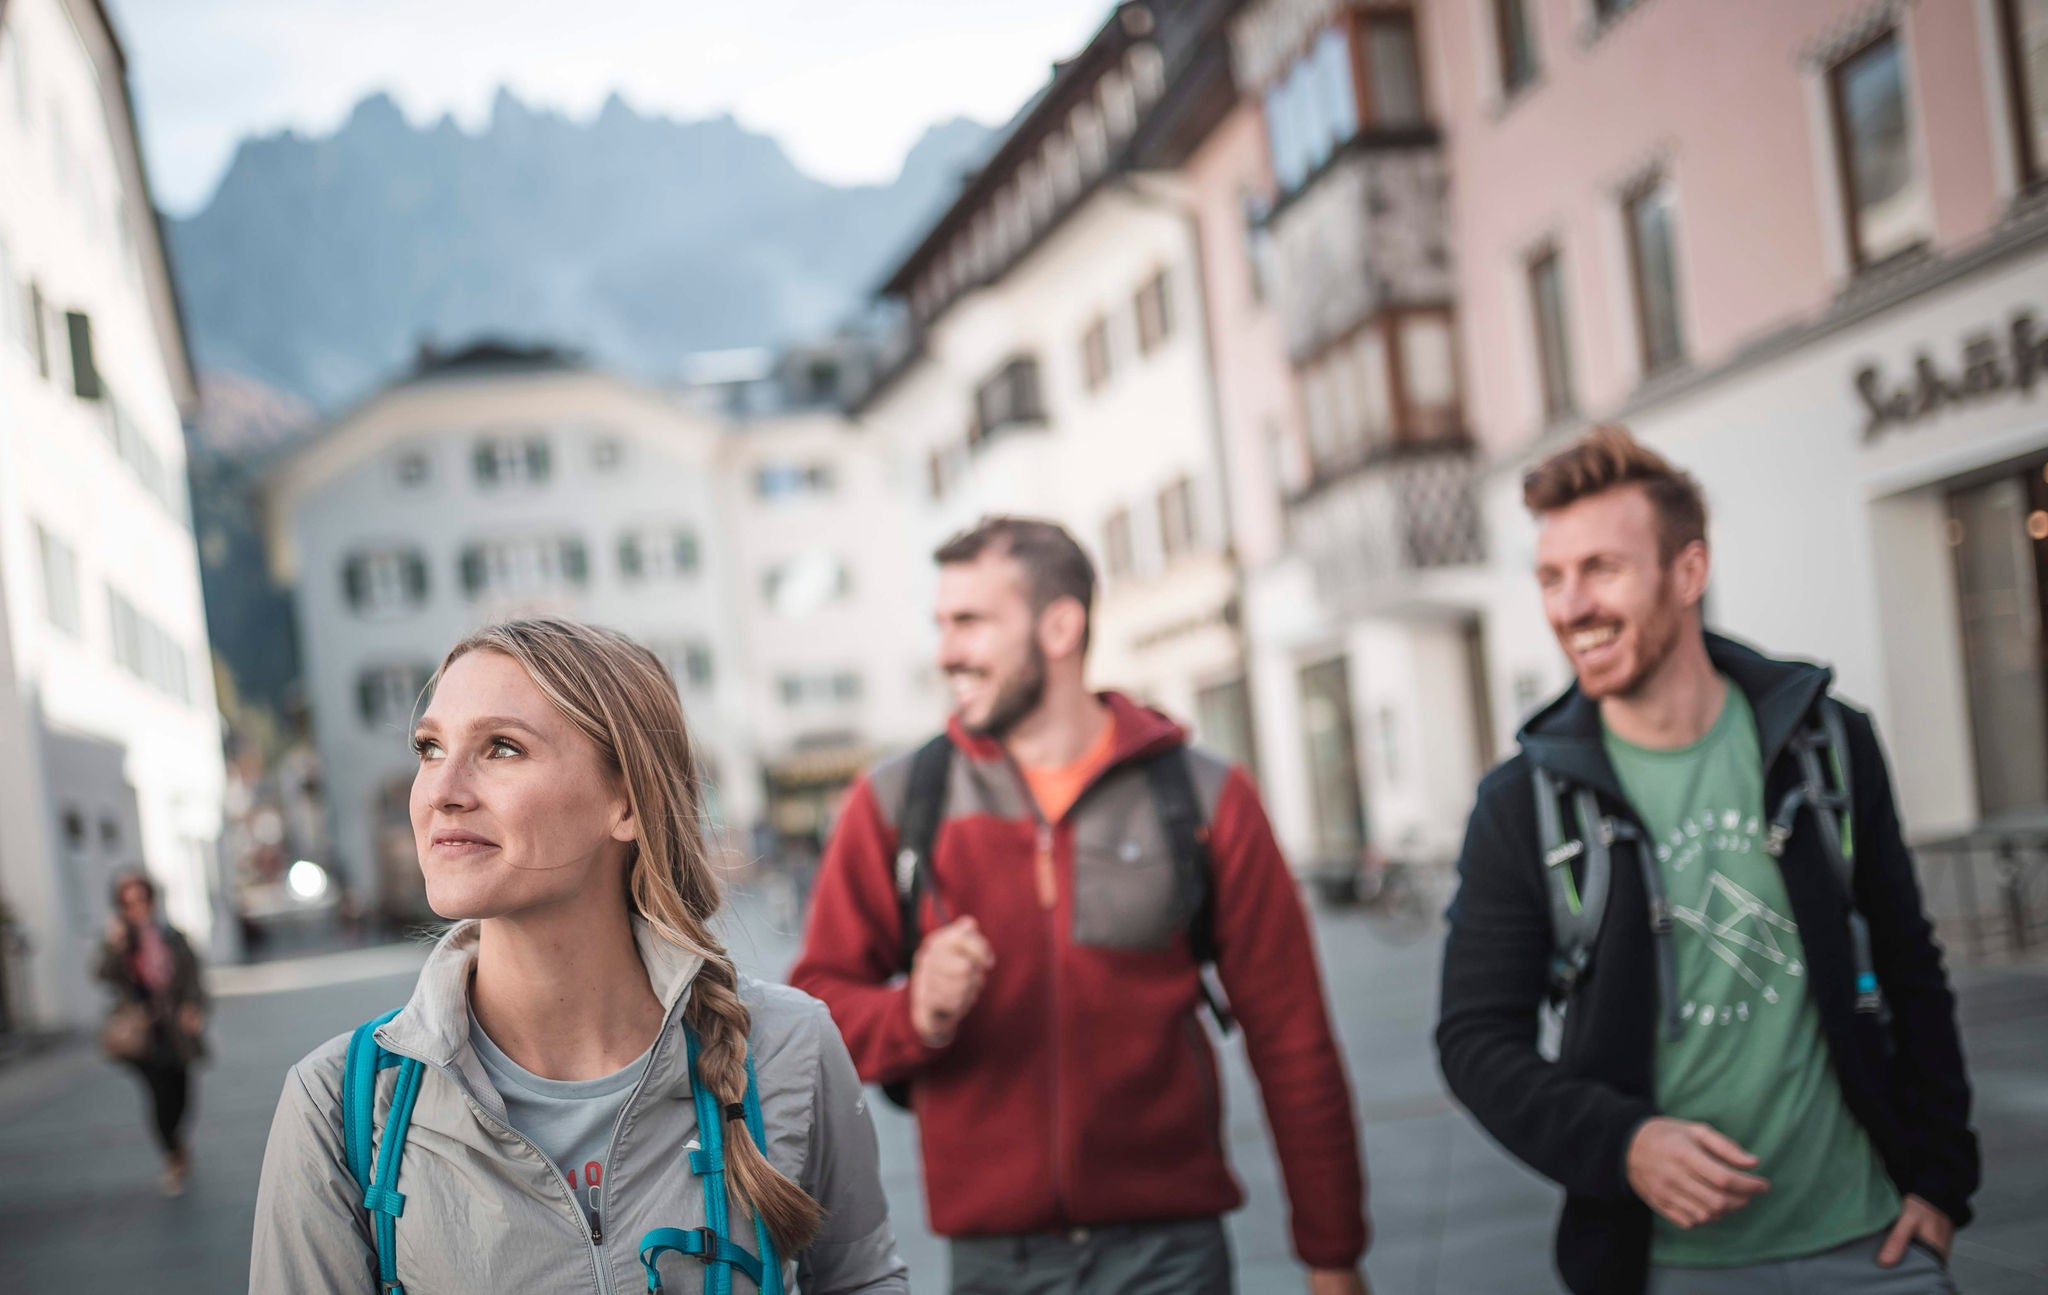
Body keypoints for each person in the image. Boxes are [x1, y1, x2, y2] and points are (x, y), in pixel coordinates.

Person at [1435, 427, 1978, 1295]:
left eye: (1601, 569)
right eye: (1551, 576)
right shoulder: (1521, 803)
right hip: (1664, 1267)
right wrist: (1623, 1143)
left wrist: (1943, 1179)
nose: (1570, 605)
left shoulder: (1826, 743)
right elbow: (1474, 1041)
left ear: (1688, 573)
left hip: (1873, 1240)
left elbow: (1911, 963)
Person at [791, 517, 1369, 1295]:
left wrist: (1332, 1252)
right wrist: (915, 1016)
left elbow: (1292, 1035)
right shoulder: (897, 804)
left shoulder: (1203, 795)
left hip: (1173, 1254)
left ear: (1059, 626)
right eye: (941, 623)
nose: (946, 651)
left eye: (970, 622)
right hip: (997, 1263)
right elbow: (814, 1011)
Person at [251, 617, 908, 1293]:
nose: (440, 790)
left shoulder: (787, 1045)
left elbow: (864, 1277)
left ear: (625, 801)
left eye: (502, 747)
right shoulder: (339, 1106)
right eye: (429, 748)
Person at [97, 869, 208, 1196]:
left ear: (151, 900)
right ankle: (172, 1155)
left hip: (177, 1031)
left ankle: (178, 1143)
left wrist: (194, 1007)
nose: (137, 908)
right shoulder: (121, 941)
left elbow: (194, 979)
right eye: (127, 903)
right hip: (143, 1035)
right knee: (159, 1095)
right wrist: (114, 945)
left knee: (183, 1095)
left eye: (141, 899)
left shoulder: (172, 937)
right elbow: (103, 976)